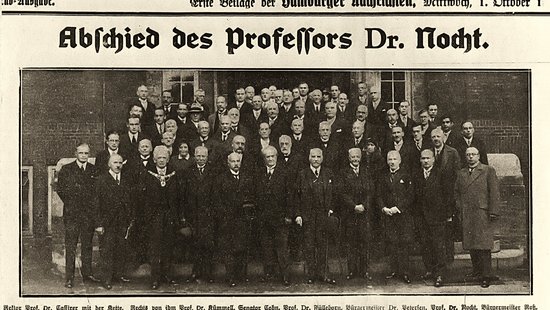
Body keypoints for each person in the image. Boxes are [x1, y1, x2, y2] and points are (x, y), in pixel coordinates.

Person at [56, 143, 101, 288]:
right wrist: (73, 204)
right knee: (71, 246)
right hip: (72, 215)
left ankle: (87, 275)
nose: (83, 156)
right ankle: (69, 278)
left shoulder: (94, 170)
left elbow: (95, 194)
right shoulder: (66, 169)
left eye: (86, 153)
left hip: (88, 216)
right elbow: (61, 190)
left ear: (89, 154)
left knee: (87, 245)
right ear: (76, 153)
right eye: (81, 153)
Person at [455, 147, 500, 288]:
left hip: (482, 213)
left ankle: (486, 275)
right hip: (467, 213)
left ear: (479, 156)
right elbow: (456, 192)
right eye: (468, 155)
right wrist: (459, 207)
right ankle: (477, 271)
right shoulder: (461, 173)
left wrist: (493, 211)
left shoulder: (488, 170)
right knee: (472, 244)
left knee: (483, 245)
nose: (470, 157)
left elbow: (494, 192)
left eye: (473, 154)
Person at [295, 148, 338, 285]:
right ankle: (311, 274)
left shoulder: (328, 173)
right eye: (313, 156)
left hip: (323, 215)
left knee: (323, 245)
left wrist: (331, 209)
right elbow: (296, 196)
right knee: (309, 245)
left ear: (322, 158)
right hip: (307, 215)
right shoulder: (302, 174)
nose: (316, 159)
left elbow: (334, 193)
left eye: (318, 156)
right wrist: (298, 214)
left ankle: (324, 273)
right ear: (309, 158)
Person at [139, 146, 180, 289]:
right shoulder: (147, 175)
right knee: (155, 248)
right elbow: (142, 199)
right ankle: (155, 278)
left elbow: (178, 198)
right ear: (154, 159)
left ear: (168, 159)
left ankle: (167, 275)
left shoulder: (174, 175)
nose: (162, 160)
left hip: (169, 217)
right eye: (159, 158)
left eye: (164, 158)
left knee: (168, 247)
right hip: (154, 217)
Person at [212, 152, 255, 287]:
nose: (236, 164)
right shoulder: (220, 179)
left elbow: (252, 196)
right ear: (228, 163)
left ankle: (242, 275)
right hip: (227, 220)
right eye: (233, 161)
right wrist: (224, 216)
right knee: (229, 249)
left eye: (238, 161)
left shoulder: (247, 178)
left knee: (242, 247)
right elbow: (216, 200)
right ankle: (231, 277)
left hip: (243, 219)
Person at [413, 149, 454, 287]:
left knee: (438, 245)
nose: (425, 161)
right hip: (421, 217)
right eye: (423, 158)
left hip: (437, 216)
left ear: (433, 159)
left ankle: (440, 274)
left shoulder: (441, 174)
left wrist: (448, 214)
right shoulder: (417, 174)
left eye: (428, 158)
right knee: (426, 245)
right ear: (419, 160)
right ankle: (430, 269)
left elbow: (448, 195)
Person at [254, 146, 292, 286]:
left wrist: (288, 215)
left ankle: (285, 275)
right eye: (267, 157)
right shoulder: (259, 173)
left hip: (280, 218)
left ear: (276, 157)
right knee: (266, 247)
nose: (270, 159)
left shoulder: (285, 173)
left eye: (272, 156)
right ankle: (269, 273)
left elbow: (290, 196)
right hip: (263, 218)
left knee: (282, 247)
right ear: (264, 159)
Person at [95, 154, 134, 290]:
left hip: (122, 221)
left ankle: (118, 275)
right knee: (107, 250)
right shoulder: (101, 180)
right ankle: (106, 278)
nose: (118, 165)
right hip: (107, 222)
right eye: (115, 162)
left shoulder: (126, 180)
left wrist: (129, 219)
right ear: (109, 164)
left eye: (120, 162)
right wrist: (99, 224)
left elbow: (129, 200)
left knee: (120, 249)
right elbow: (96, 204)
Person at [376, 150, 414, 284]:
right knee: (392, 243)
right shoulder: (383, 176)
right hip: (388, 215)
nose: (392, 162)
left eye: (394, 159)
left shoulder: (406, 175)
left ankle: (405, 272)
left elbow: (410, 196)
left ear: (400, 161)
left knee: (403, 244)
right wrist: (384, 208)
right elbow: (379, 194)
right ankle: (394, 270)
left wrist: (397, 208)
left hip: (402, 216)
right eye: (390, 159)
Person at [180, 146, 217, 283]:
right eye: (199, 156)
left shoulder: (213, 171)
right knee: (196, 245)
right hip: (193, 214)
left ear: (207, 157)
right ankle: (196, 272)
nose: (201, 159)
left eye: (203, 156)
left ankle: (208, 273)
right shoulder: (188, 172)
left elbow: (216, 193)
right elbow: (184, 194)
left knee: (208, 244)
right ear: (194, 156)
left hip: (209, 213)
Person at [339, 148, 375, 281]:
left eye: (357, 157)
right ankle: (352, 271)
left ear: (360, 157)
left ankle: (364, 271)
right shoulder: (343, 173)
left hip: (364, 214)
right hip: (350, 213)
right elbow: (341, 193)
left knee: (364, 243)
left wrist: (364, 205)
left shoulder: (366, 172)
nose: (355, 159)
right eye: (352, 157)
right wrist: (354, 206)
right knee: (351, 243)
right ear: (349, 158)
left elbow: (371, 191)